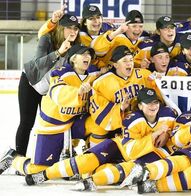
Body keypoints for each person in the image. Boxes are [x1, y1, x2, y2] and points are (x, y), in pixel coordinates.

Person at [22, 88, 176, 188]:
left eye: (155, 102)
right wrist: (154, 135)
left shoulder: (168, 115)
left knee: (111, 172)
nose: (153, 106)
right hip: (120, 148)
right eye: (148, 103)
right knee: (88, 160)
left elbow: (176, 131)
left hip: (139, 157)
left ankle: (90, 181)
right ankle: (44, 175)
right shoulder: (132, 119)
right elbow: (131, 152)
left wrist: (167, 133)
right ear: (140, 106)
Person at [0, 45, 96, 175]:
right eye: (83, 54)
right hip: (53, 124)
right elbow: (57, 93)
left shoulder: (92, 74)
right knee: (39, 170)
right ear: (73, 59)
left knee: (97, 126)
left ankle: (79, 158)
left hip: (73, 122)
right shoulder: (60, 73)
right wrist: (77, 92)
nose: (87, 57)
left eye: (89, 55)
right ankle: (14, 159)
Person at [15, 14, 80, 157]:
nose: (73, 31)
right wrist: (58, 52)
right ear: (60, 28)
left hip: (51, 88)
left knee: (51, 124)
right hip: (31, 82)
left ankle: (48, 156)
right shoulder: (47, 39)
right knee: (27, 122)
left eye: (75, 28)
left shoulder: (76, 46)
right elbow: (37, 63)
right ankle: (19, 158)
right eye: (69, 27)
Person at [38, 5, 114, 47]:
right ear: (84, 22)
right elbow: (42, 35)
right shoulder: (76, 32)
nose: (96, 21)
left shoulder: (109, 30)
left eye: (98, 17)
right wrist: (53, 21)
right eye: (91, 18)